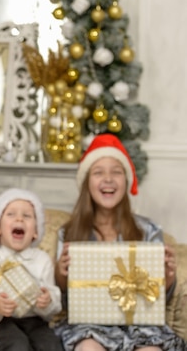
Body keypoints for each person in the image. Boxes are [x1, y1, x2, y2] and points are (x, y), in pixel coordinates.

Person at [55, 133, 186, 351]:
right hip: (88, 325)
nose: (108, 179)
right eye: (98, 172)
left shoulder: (149, 231)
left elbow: (157, 297)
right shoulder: (68, 233)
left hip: (140, 325)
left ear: (126, 181)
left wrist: (169, 278)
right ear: (87, 183)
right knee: (88, 348)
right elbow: (64, 298)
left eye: (116, 172)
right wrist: (60, 274)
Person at [0, 188, 64, 351]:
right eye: (11, 214)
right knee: (17, 345)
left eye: (27, 215)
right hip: (2, 322)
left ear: (36, 231)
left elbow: (53, 295)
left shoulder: (42, 260)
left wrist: (48, 300)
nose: (19, 218)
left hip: (36, 320)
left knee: (52, 345)